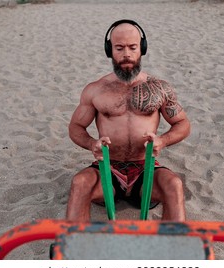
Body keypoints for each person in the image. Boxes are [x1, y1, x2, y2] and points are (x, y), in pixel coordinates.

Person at [66, 19, 190, 222]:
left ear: (142, 48)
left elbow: (183, 124)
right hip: (107, 168)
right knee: (79, 182)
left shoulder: (159, 88)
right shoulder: (96, 89)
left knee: (174, 184)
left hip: (146, 168)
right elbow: (76, 126)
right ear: (109, 50)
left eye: (132, 47)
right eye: (119, 48)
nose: (126, 54)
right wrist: (91, 143)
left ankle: (175, 247)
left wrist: (163, 140)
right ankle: (72, 246)